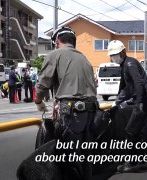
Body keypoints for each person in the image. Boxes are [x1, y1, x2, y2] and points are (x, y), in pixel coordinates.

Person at [35, 27, 97, 180]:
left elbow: (43, 84)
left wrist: (38, 101)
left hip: (72, 113)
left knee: (70, 155)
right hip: (91, 112)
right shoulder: (84, 58)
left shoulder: (55, 54)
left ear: (56, 41)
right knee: (85, 153)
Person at [107, 40, 147, 172]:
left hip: (145, 101)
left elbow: (138, 83)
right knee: (136, 131)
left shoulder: (130, 63)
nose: (114, 57)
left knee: (130, 131)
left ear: (123, 52)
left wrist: (139, 103)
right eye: (112, 55)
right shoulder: (123, 66)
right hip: (143, 100)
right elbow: (123, 86)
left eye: (116, 54)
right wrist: (116, 102)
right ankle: (141, 161)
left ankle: (133, 163)